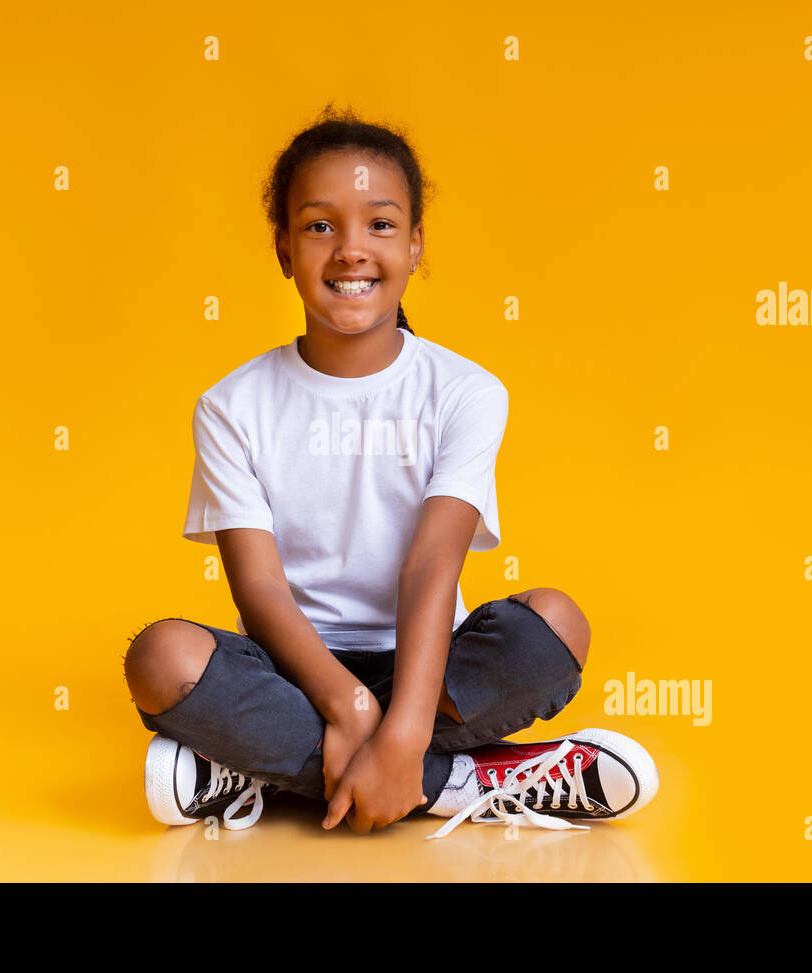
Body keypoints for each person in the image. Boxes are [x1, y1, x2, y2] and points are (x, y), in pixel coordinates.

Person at [123, 104, 658, 838]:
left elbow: (431, 565)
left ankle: (257, 766)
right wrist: (350, 705)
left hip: (431, 674)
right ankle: (466, 782)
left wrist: (404, 725)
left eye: (379, 224)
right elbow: (260, 587)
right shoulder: (231, 404)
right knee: (161, 657)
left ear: (414, 246)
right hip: (294, 674)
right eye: (319, 225)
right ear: (283, 248)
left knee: (557, 627)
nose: (350, 250)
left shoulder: (467, 391)